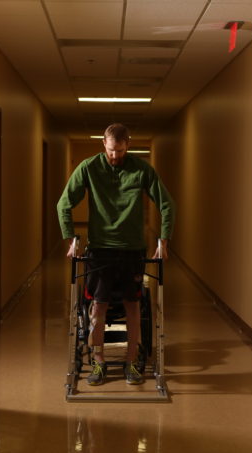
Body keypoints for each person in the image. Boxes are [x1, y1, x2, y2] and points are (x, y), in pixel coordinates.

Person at [57, 123, 176, 386]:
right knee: (98, 307)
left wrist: (163, 241)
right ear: (104, 144)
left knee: (133, 305)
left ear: (128, 145)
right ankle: (98, 362)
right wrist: (72, 240)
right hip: (100, 250)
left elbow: (167, 204)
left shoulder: (141, 169)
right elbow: (63, 203)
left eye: (120, 151)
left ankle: (132, 360)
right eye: (111, 150)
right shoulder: (89, 168)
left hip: (132, 249)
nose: (115, 156)